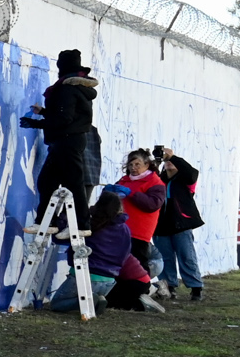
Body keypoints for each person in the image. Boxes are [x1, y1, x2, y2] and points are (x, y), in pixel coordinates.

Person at [21, 50, 100, 221]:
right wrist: (44, 112)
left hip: (67, 141)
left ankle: (81, 224)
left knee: (72, 184)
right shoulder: (78, 87)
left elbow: (64, 119)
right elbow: (69, 115)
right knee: (47, 182)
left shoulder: (66, 88)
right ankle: (46, 221)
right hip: (67, 141)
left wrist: (36, 123)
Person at [60, 191, 157, 313]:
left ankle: (137, 304)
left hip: (115, 278)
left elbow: (66, 239)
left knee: (61, 304)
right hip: (119, 278)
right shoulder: (123, 229)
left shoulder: (93, 226)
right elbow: (124, 257)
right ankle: (136, 301)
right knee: (102, 299)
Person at [147, 146, 206, 301]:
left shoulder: (185, 179)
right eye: (167, 162)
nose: (168, 163)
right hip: (160, 224)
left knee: (186, 255)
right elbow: (147, 178)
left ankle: (195, 287)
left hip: (181, 223)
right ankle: (168, 286)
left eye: (171, 162)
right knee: (165, 257)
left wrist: (173, 157)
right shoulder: (159, 179)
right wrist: (156, 161)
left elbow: (192, 173)